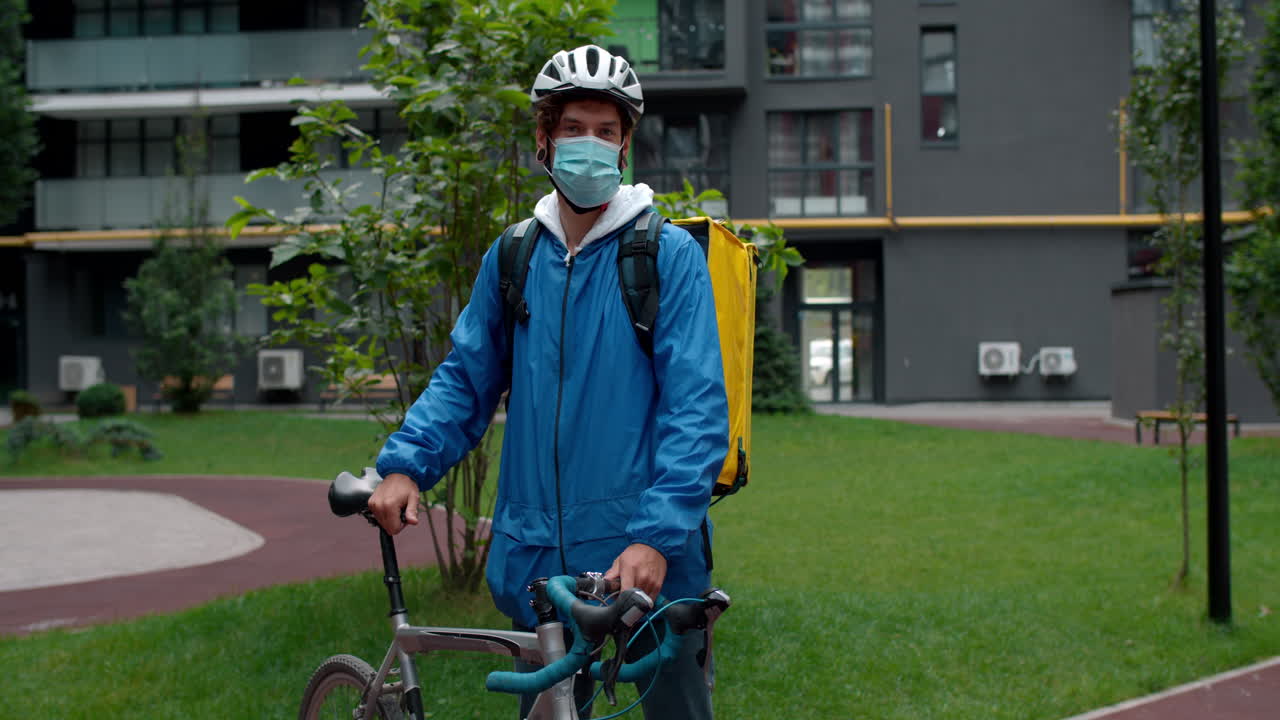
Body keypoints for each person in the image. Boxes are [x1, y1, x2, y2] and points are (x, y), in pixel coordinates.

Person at [369, 44, 727, 719]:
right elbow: (465, 380)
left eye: (606, 131)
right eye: (573, 128)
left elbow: (697, 408)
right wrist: (405, 466)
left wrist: (654, 536)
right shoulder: (513, 256)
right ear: (543, 138)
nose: (589, 146)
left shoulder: (664, 255)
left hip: (644, 562)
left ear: (624, 147)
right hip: (541, 566)